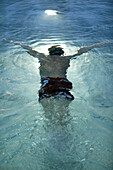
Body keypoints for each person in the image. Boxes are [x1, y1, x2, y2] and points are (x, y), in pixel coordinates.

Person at [3, 38, 107, 100]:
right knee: (64, 115)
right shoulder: (67, 58)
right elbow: (82, 51)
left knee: (48, 115)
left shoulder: (42, 57)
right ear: (62, 53)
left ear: (50, 52)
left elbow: (28, 48)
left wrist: (14, 43)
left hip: (47, 84)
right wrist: (98, 44)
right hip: (63, 83)